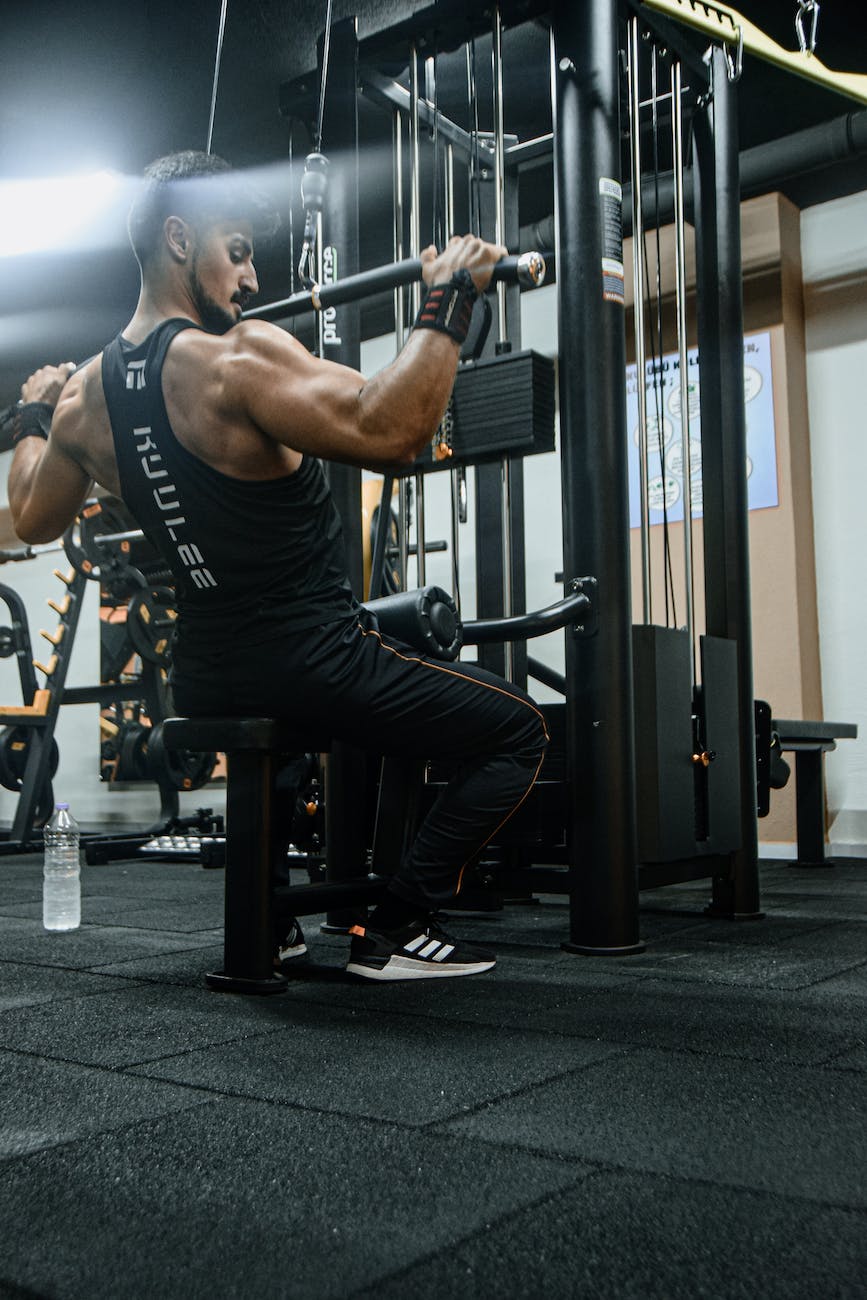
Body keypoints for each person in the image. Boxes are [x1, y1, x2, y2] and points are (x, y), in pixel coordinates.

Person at [9, 150, 549, 981]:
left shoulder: (81, 400)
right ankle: (396, 924)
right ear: (180, 239)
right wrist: (449, 295)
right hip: (314, 662)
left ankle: (276, 924)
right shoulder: (239, 360)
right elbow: (390, 431)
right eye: (238, 250)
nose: (252, 279)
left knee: (351, 704)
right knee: (519, 729)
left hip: (210, 675)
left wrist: (30, 416)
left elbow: (29, 518)